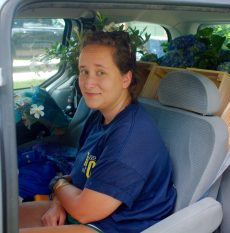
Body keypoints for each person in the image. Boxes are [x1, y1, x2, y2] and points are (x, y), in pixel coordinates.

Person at [19, 31, 177, 233]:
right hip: (83, 210)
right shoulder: (99, 116)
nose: (88, 83)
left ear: (125, 78)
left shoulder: (131, 138)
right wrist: (58, 201)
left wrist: (57, 184)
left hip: (115, 226)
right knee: (1, 217)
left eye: (100, 72)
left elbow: (85, 211)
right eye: (84, 71)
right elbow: (77, 177)